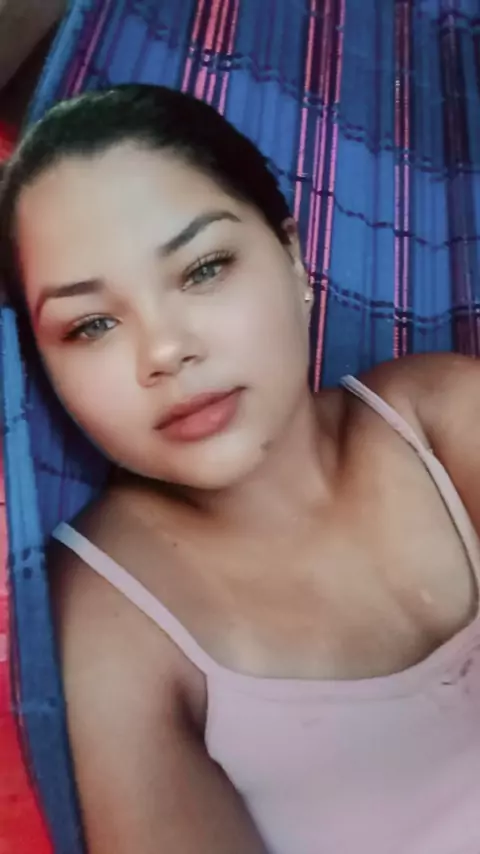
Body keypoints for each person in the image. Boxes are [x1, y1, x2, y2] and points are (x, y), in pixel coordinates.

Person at [1, 84, 479, 854]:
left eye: (204, 268)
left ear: (292, 258)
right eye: (91, 324)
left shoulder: (442, 416)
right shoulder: (107, 618)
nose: (166, 351)